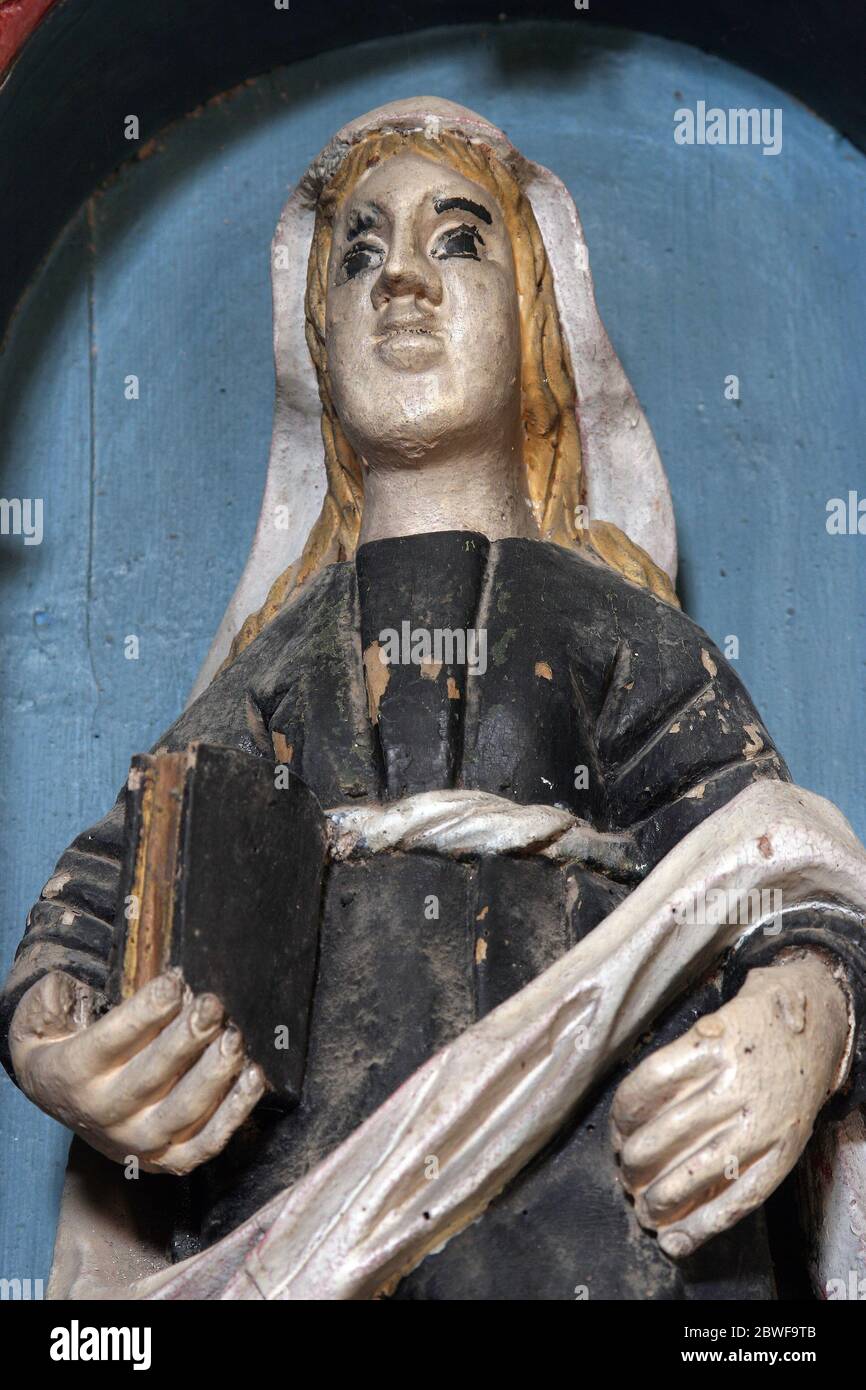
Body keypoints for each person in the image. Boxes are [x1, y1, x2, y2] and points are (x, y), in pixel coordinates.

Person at [3, 102, 865, 1300]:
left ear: (538, 322)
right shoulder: (276, 668)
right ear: (317, 336)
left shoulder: (615, 631)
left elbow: (767, 863)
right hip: (304, 1233)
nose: (399, 278)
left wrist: (799, 1014)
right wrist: (57, 1038)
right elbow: (115, 884)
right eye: (357, 253)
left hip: (603, 1230)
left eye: (456, 241)